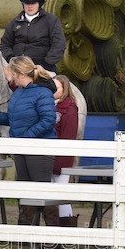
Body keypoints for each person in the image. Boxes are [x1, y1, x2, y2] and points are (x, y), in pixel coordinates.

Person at [0, 56, 56, 226]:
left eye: (11, 72)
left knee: (42, 191)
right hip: (22, 148)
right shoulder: (18, 93)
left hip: (39, 150)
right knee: (25, 190)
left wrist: (27, 137)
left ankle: (54, 232)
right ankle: (27, 231)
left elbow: (48, 119)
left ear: (19, 73)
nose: (9, 76)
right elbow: (15, 119)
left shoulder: (42, 93)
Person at [0, 0, 66, 74]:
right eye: (27, 3)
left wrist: (47, 63)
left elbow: (59, 44)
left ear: (40, 4)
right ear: (23, 4)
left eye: (33, 3)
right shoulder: (14, 22)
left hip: (42, 68)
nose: (30, 6)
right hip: (17, 68)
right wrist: (11, 59)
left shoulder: (51, 21)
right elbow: (4, 45)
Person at [51, 74, 79, 227]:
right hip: (51, 157)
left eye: (57, 87)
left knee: (61, 195)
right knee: (56, 195)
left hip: (61, 158)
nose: (53, 90)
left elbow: (68, 137)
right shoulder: (51, 105)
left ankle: (67, 227)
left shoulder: (69, 109)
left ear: (64, 89)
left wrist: (59, 163)